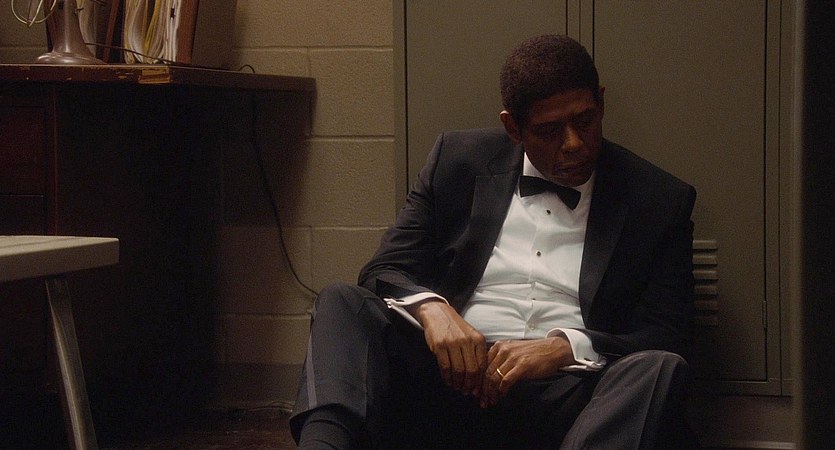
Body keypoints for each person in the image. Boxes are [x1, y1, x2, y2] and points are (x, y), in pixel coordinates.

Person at [290, 34, 698, 449]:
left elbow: (668, 334)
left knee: (657, 367)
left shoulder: (658, 199)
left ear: (602, 103)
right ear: (512, 127)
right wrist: (432, 308)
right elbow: (384, 270)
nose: (573, 144)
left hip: (574, 392)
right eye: (549, 131)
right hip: (452, 378)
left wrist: (564, 347)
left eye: (584, 121)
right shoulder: (457, 160)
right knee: (342, 303)